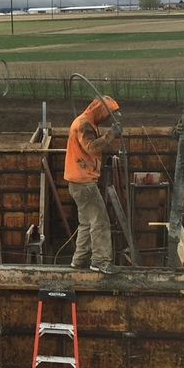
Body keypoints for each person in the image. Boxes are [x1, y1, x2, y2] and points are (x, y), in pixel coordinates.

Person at [63, 97, 121, 271]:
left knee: (86, 222)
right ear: (100, 111)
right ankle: (100, 261)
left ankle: (79, 260)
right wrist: (111, 134)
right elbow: (92, 147)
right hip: (84, 182)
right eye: (107, 115)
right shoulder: (85, 125)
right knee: (100, 220)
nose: (107, 119)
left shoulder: (84, 122)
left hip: (77, 181)